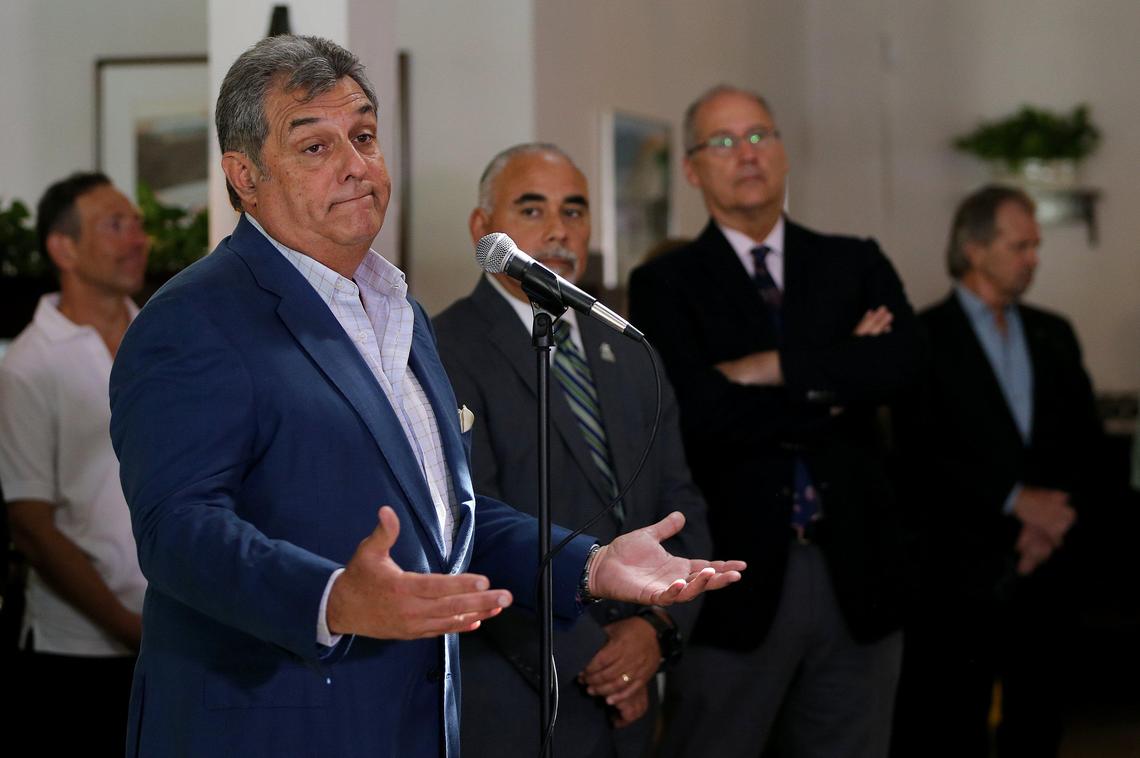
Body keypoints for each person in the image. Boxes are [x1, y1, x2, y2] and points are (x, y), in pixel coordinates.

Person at [108, 35, 742, 758]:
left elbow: (451, 515)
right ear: (244, 176)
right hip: (273, 724)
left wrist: (592, 564)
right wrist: (330, 599)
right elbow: (178, 532)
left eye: (365, 136)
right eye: (314, 147)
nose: (354, 166)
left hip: (415, 722)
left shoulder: (396, 310)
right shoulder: (194, 318)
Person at [627, 85, 921, 757]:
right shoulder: (667, 283)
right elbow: (701, 415)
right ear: (694, 169)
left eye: (759, 135)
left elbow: (903, 368)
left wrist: (770, 368)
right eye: (723, 142)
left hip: (859, 576)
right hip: (735, 582)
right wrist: (838, 376)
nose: (747, 154)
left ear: (784, 152)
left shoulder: (854, 261)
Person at [434, 143, 711, 757]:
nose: (558, 230)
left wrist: (654, 631)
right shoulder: (443, 349)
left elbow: (679, 501)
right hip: (517, 696)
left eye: (575, 211)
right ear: (483, 228)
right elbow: (466, 528)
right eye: (531, 210)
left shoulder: (630, 350)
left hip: (636, 691)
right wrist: (594, 658)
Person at [889, 185, 1103, 757]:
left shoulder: (1054, 332)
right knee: (951, 725)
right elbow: (918, 452)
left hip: (1048, 568)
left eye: (1036, 246)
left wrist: (1049, 521)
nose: (1033, 258)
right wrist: (1013, 501)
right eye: (1020, 245)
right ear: (975, 248)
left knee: (1038, 723)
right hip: (958, 574)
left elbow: (1087, 442)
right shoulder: (923, 337)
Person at [0, 172, 149, 750]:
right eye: (115, 225)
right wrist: (128, 628)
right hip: (78, 655)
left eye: (137, 223)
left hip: (177, 638)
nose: (136, 239)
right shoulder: (29, 366)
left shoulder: (162, 339)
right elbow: (31, 526)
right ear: (62, 248)